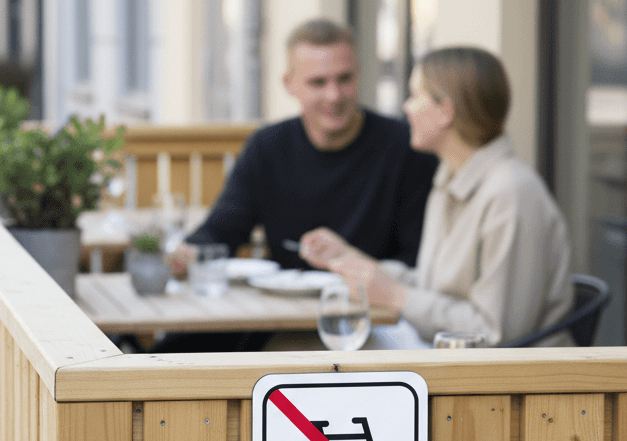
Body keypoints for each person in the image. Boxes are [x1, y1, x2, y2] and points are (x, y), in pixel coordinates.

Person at [161, 18, 437, 351]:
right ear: (289, 84)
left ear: (360, 76)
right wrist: (186, 253)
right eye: (318, 82)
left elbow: (417, 259)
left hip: (374, 323)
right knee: (172, 353)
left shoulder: (407, 148)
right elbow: (224, 227)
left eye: (344, 79)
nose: (334, 95)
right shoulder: (268, 146)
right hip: (281, 314)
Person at [300, 46, 574, 347]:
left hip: (513, 385)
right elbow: (432, 287)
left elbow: (495, 334)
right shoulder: (449, 180)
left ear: (445, 111)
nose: (407, 108)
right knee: (302, 348)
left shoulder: (512, 193)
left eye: (416, 96)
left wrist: (396, 296)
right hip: (450, 362)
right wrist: (347, 258)